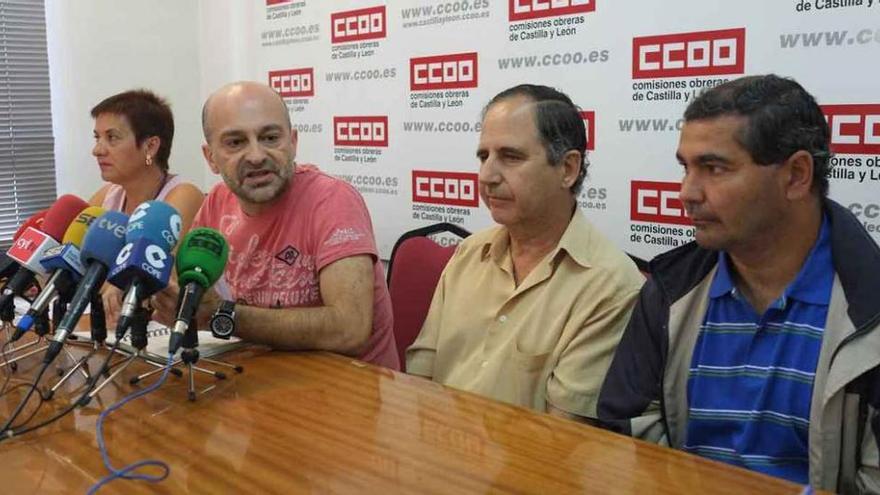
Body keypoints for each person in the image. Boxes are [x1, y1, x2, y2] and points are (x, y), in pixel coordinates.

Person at [597, 75, 880, 492]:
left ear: (797, 175)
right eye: (685, 167)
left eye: (714, 168)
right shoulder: (671, 289)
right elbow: (623, 429)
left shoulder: (869, 309)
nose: (686, 193)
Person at [406, 84, 643, 419]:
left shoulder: (610, 286)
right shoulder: (468, 253)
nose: (487, 176)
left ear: (567, 169)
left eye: (511, 157)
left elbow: (563, 435)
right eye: (483, 156)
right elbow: (420, 381)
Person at [152, 81, 399, 369]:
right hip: (260, 378)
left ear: (293, 143)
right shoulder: (218, 202)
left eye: (270, 138)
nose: (257, 156)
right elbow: (180, 285)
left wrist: (223, 315)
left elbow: (348, 329)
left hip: (352, 393)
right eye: (235, 142)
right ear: (211, 158)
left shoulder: (332, 201)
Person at [87, 89, 204, 324]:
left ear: (150, 147)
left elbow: (149, 275)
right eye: (97, 137)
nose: (97, 150)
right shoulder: (106, 196)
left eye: (112, 138)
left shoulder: (184, 195)